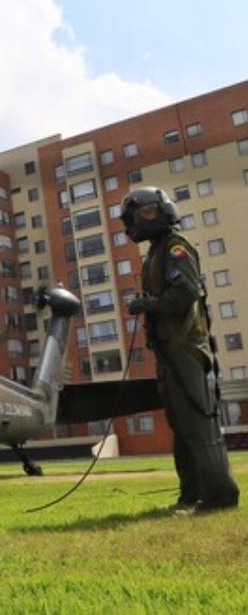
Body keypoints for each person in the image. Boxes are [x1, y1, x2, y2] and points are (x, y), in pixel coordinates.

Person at [121, 186, 240, 514]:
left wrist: (146, 303)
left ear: (163, 210)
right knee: (182, 427)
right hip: (169, 351)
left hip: (187, 349)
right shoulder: (155, 253)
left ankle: (220, 497)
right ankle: (191, 495)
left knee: (199, 426)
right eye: (136, 216)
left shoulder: (176, 247)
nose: (139, 221)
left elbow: (185, 293)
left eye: (145, 213)